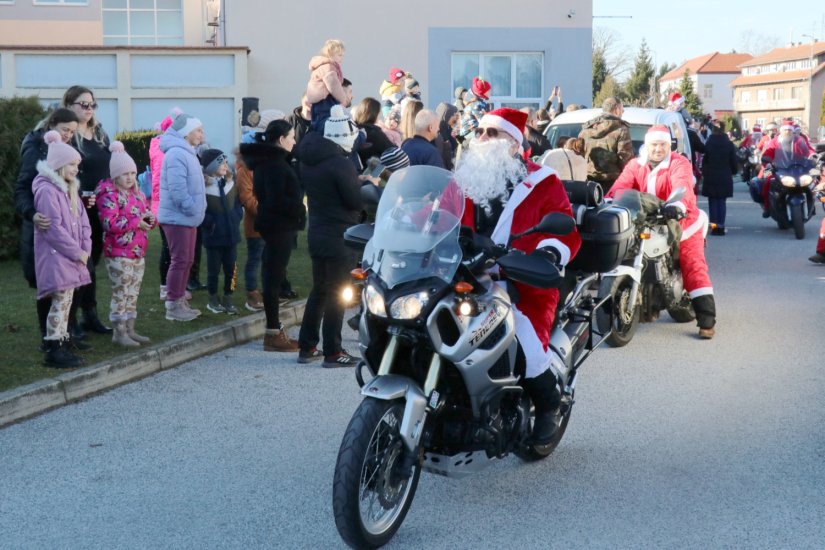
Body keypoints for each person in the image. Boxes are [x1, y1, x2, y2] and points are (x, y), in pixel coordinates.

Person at [449, 107, 582, 444]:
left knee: (524, 342)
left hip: (521, 282)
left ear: (513, 143)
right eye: (479, 132)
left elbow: (564, 227)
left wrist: (548, 251)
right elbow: (434, 213)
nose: (481, 139)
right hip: (463, 278)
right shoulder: (464, 180)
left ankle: (548, 404)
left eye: (492, 133)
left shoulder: (542, 181)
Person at [608, 125, 717, 339]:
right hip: (646, 220)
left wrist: (679, 205)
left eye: (663, 145)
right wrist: (610, 199)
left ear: (669, 145)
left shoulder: (679, 163)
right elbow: (621, 185)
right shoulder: (635, 164)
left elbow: (682, 185)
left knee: (692, 262)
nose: (658, 149)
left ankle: (707, 319)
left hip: (682, 221)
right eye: (654, 145)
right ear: (646, 145)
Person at [294, 105, 364, 367]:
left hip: (318, 231)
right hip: (339, 235)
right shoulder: (340, 163)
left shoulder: (310, 160)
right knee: (338, 293)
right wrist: (363, 184)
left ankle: (307, 346)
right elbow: (354, 200)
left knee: (319, 290)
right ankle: (333, 351)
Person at [15, 108, 85, 348]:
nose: (68, 135)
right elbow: (23, 186)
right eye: (65, 130)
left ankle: (67, 333)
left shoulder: (64, 150)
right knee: (49, 285)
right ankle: (51, 341)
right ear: (51, 124)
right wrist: (31, 213)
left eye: (73, 132)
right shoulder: (35, 147)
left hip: (66, 223)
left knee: (71, 282)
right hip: (42, 223)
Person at [240, 120, 307, 351]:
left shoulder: (269, 162)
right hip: (279, 225)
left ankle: (274, 329)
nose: (294, 141)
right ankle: (273, 332)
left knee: (273, 275)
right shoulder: (275, 165)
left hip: (275, 224)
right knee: (273, 277)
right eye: (291, 137)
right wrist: (299, 208)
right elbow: (277, 199)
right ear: (281, 139)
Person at [32, 130, 91, 367]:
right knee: (59, 302)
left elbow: (84, 222)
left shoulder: (69, 189)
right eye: (72, 164)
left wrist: (85, 247)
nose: (76, 169)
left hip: (73, 257)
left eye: (77, 164)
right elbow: (53, 229)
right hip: (58, 257)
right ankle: (54, 350)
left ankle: (63, 341)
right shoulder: (47, 190)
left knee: (66, 302)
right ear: (58, 165)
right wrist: (77, 252)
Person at [62, 85, 113, 336]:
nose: (89, 109)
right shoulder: (68, 136)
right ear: (69, 105)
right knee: (81, 264)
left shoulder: (100, 133)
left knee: (93, 262)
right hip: (77, 207)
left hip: (100, 208)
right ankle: (70, 320)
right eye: (83, 104)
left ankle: (89, 315)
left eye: (92, 104)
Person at [95, 142, 155, 346]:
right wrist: (136, 222)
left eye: (132, 172)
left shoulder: (137, 194)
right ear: (115, 175)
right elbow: (109, 222)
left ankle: (130, 328)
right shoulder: (109, 195)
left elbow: (145, 214)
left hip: (138, 251)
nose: (129, 177)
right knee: (121, 291)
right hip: (118, 252)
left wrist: (149, 220)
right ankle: (119, 332)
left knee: (133, 291)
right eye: (124, 173)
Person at [158, 112, 207, 321]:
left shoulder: (187, 152)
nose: (201, 134)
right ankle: (173, 305)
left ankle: (179, 301)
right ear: (186, 133)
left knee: (186, 260)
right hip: (178, 218)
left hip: (188, 217)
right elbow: (178, 189)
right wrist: (190, 206)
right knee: (179, 261)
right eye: (198, 130)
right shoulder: (177, 154)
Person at [199, 149, 242, 315]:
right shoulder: (204, 187)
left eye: (225, 162)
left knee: (232, 269)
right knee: (213, 270)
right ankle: (212, 298)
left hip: (231, 235)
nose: (226, 165)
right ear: (211, 167)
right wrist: (211, 224)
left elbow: (238, 203)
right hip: (213, 237)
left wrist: (237, 215)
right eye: (221, 163)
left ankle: (228, 296)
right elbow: (200, 211)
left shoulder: (231, 183)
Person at [578, 97, 634, 192]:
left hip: (588, 182)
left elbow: (578, 156)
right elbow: (625, 159)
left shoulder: (586, 130)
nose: (622, 112)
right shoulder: (621, 130)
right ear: (616, 110)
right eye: (622, 109)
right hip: (613, 184)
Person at [759, 119, 813, 217]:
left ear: (792, 131)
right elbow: (768, 152)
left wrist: (813, 155)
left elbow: (808, 149)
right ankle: (767, 208)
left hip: (797, 168)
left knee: (812, 182)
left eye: (789, 130)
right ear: (781, 130)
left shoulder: (798, 140)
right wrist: (766, 158)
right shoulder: (775, 141)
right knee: (766, 182)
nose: (787, 132)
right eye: (785, 130)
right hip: (777, 168)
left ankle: (811, 206)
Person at [700, 121, 738, 236]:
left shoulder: (709, 143)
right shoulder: (729, 144)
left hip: (711, 175)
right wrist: (733, 171)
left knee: (712, 202)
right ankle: (720, 226)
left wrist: (704, 172)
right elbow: (734, 161)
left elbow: (704, 160)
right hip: (724, 175)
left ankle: (714, 226)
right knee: (721, 201)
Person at [306, 39, 347, 131]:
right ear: (330, 54)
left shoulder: (323, 66)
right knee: (327, 123)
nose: (342, 58)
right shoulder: (328, 67)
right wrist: (343, 99)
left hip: (319, 101)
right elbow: (333, 85)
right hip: (325, 100)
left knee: (318, 122)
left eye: (343, 56)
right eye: (339, 55)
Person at [353, 97, 395, 166]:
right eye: (379, 113)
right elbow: (392, 151)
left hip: (357, 171)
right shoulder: (374, 132)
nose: (379, 116)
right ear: (374, 114)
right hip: (375, 172)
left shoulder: (353, 129)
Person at [435, 102, 459, 169]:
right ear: (446, 116)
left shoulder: (449, 129)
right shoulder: (437, 133)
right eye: (453, 115)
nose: (455, 118)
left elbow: (460, 142)